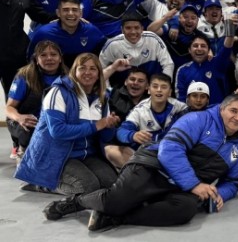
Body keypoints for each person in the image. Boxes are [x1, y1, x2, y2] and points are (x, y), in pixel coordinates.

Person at [42, 94, 238, 231]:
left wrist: (219, 195)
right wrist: (195, 185)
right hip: (152, 166)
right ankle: (76, 202)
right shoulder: (199, 119)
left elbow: (232, 182)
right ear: (222, 110)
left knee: (185, 210)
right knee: (114, 201)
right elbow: (169, 151)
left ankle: (114, 219)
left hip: (179, 186)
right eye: (233, 111)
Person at [15, 53, 120, 195]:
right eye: (82, 68)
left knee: (113, 185)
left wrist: (109, 126)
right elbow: (57, 131)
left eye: (93, 69)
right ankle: (41, 184)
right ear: (74, 72)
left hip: (87, 154)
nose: (87, 72)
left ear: (99, 74)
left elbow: (104, 137)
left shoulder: (102, 97)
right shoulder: (57, 92)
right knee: (88, 187)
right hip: (58, 155)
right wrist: (95, 125)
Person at [106, 73, 188, 168]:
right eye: (155, 86)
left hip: (170, 151)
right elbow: (121, 131)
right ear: (149, 89)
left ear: (170, 92)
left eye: (164, 87)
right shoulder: (140, 110)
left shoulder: (179, 107)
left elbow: (190, 121)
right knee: (110, 150)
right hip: (147, 153)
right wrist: (133, 135)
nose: (159, 90)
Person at [6, 41, 68, 162]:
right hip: (27, 121)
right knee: (29, 129)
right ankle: (23, 151)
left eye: (53, 54)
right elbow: (9, 108)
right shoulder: (24, 76)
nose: (49, 58)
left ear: (60, 58)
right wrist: (19, 118)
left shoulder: (69, 77)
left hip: (54, 121)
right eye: (43, 55)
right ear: (36, 59)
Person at [27, 0, 106, 67]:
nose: (71, 13)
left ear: (81, 13)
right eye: (66, 10)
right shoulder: (44, 33)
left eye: (75, 10)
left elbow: (106, 52)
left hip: (83, 78)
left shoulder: (91, 31)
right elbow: (31, 59)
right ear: (58, 13)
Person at [100, 13, 174, 87]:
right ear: (122, 30)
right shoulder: (112, 44)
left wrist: (164, 87)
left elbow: (168, 64)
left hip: (151, 87)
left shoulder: (153, 39)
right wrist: (107, 90)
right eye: (128, 28)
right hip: (122, 88)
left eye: (136, 28)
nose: (133, 32)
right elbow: (101, 70)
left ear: (142, 29)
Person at [0, 0, 32, 99]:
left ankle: (13, 123)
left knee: (15, 100)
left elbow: (42, 16)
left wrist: (64, 16)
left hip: (15, 60)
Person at [175, 32, 234, 104]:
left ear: (209, 50)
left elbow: (226, 49)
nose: (199, 49)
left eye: (203, 46)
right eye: (195, 46)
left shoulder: (217, 63)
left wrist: (231, 27)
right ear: (189, 50)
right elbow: (181, 98)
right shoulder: (182, 70)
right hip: (192, 113)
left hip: (216, 112)